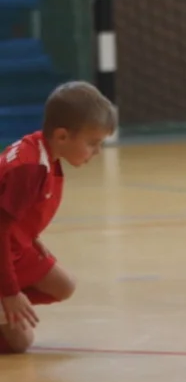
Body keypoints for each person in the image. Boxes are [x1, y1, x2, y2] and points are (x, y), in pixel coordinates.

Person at [0, 81, 117, 353]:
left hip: (15, 245)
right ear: (63, 136)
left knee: (63, 285)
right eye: (92, 143)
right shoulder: (31, 169)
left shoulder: (41, 151)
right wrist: (11, 293)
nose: (96, 152)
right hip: (4, 247)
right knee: (21, 342)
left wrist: (31, 237)